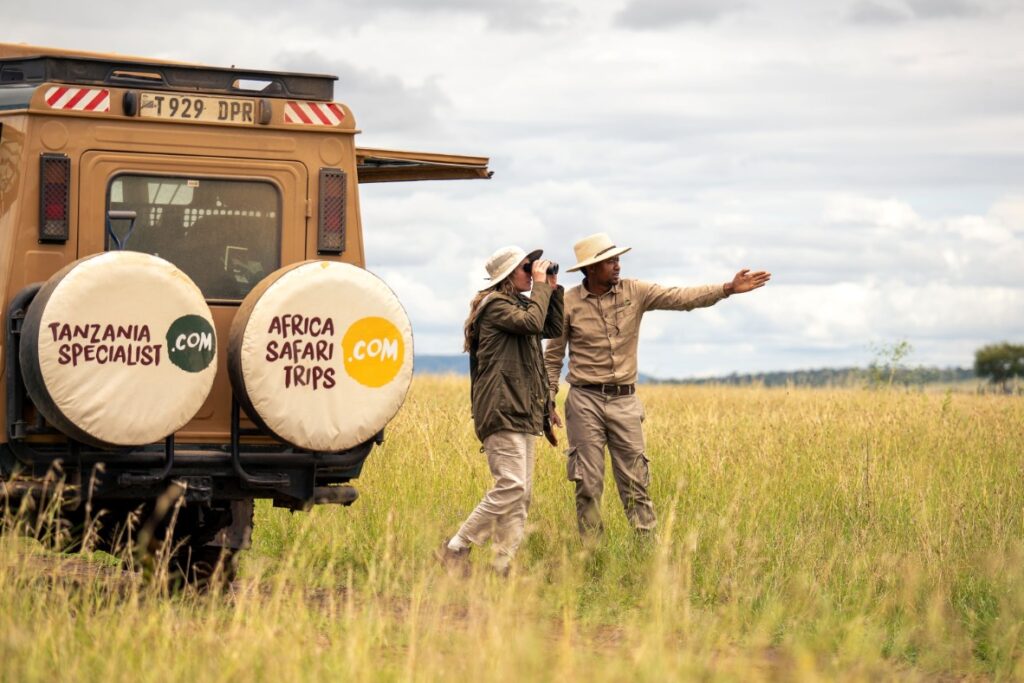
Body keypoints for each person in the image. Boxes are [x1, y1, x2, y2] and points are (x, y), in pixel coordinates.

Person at [544, 233, 770, 540]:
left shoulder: (635, 291)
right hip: (584, 401)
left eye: (617, 259)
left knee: (635, 481)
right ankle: (591, 557)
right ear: (592, 268)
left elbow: (681, 298)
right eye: (610, 261)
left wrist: (727, 289)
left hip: (625, 400)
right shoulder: (567, 302)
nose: (617, 266)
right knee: (587, 483)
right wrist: (547, 400)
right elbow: (553, 357)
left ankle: (647, 552)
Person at [438, 245, 563, 576]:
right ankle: (456, 546)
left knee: (522, 495)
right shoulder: (495, 306)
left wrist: (550, 287)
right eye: (526, 267)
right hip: (501, 407)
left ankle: (502, 563)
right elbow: (535, 322)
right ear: (508, 275)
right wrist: (539, 287)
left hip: (522, 408)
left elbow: (550, 328)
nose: (531, 271)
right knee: (511, 485)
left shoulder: (518, 307)